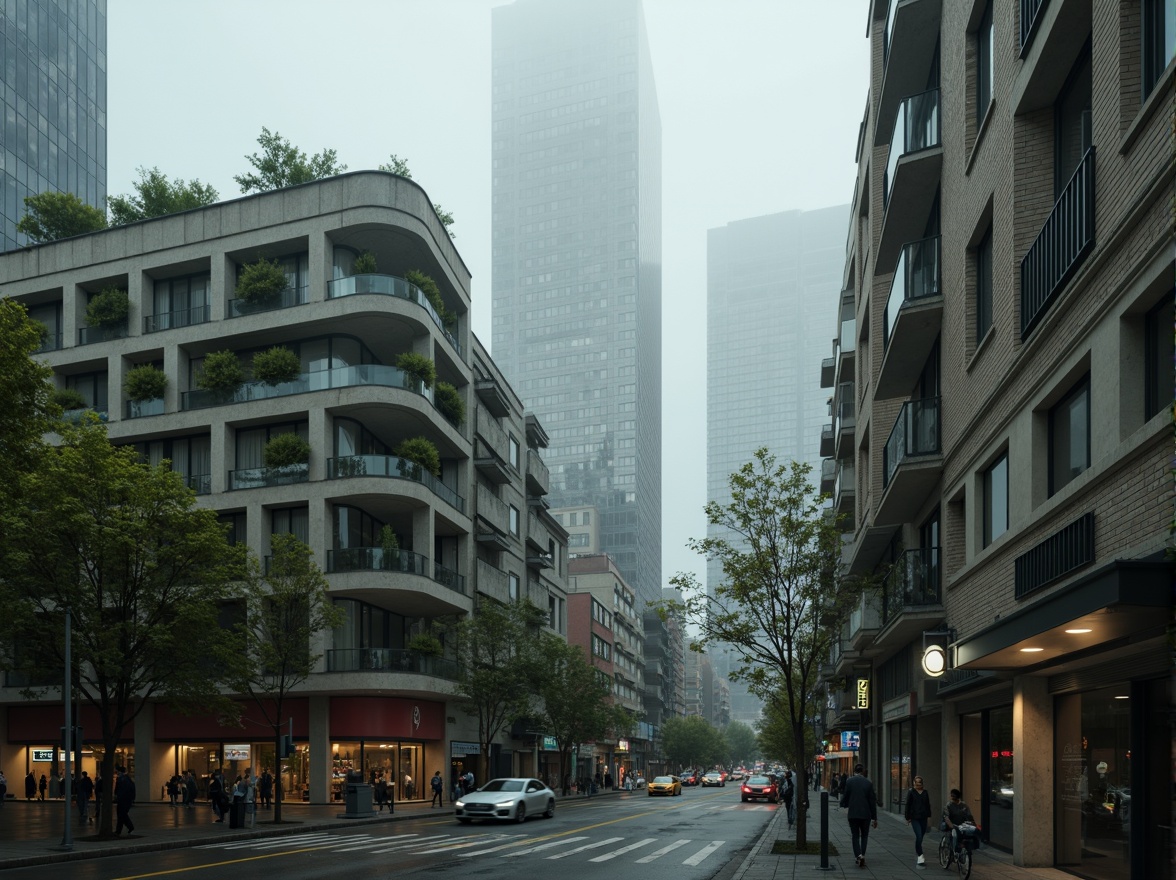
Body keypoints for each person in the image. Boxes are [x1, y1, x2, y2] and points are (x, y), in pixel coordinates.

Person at [839, 763, 878, 869]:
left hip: (853, 813)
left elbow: (845, 795)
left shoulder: (850, 781)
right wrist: (874, 818)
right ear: (863, 771)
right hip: (866, 814)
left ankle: (858, 855)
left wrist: (843, 804)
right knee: (864, 836)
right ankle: (863, 855)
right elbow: (872, 802)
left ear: (854, 771)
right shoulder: (868, 783)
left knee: (855, 835)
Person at [904, 775, 933, 866]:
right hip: (914, 817)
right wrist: (907, 817)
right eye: (916, 782)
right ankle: (920, 856)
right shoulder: (911, 792)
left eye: (919, 782)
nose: (918, 784)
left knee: (921, 837)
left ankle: (918, 851)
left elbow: (928, 804)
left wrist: (929, 816)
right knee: (919, 836)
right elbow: (908, 804)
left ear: (922, 783)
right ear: (914, 783)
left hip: (923, 817)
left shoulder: (925, 792)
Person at [942, 789, 976, 857]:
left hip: (962, 825)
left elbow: (969, 816)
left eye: (954, 796)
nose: (952, 798)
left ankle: (966, 849)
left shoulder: (964, 806)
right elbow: (946, 817)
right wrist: (951, 825)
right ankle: (953, 852)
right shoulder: (949, 805)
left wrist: (973, 824)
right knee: (954, 836)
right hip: (952, 825)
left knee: (969, 835)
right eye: (952, 796)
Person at [114, 765, 136, 835]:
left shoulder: (121, 780)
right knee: (122, 815)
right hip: (127, 800)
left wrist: (117, 796)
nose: (117, 773)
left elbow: (118, 791)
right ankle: (121, 830)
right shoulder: (128, 779)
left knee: (121, 815)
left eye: (118, 772)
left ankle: (125, 828)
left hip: (123, 800)